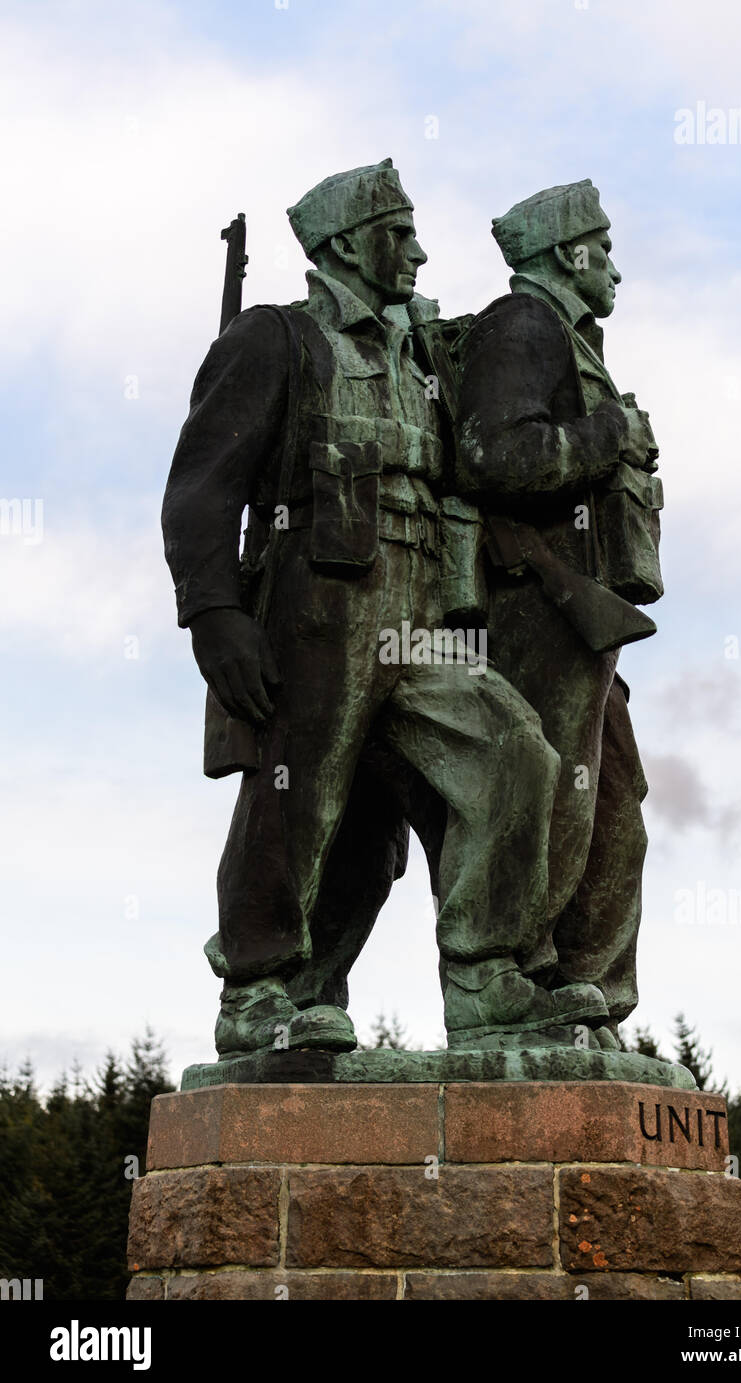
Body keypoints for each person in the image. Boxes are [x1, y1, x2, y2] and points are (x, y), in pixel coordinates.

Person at [162, 160, 606, 1056]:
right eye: (398, 234)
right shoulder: (275, 339)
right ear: (342, 246)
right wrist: (215, 614)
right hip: (317, 611)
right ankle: (257, 992)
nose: (418, 252)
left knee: (515, 754)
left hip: (422, 617)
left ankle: (486, 978)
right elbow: (201, 490)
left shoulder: (420, 356)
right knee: (299, 798)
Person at [455, 179, 663, 1046]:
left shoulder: (572, 339)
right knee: (556, 788)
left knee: (616, 799)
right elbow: (494, 455)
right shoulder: (523, 325)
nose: (613, 264)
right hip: (533, 601)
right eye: (602, 246)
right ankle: (527, 977)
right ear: (565, 253)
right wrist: (609, 435)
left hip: (581, 613)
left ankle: (592, 992)